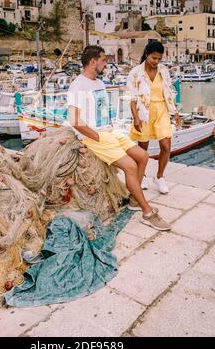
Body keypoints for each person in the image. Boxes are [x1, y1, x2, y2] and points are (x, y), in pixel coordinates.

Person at [67, 45, 171, 231]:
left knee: (143, 156)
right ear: (93, 62)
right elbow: (74, 119)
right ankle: (147, 212)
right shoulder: (78, 85)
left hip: (109, 131)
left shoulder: (98, 83)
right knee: (130, 165)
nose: (106, 63)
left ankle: (133, 199)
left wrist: (110, 132)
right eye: (103, 60)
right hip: (95, 136)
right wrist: (96, 136)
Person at [128, 40, 181, 195]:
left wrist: (175, 113)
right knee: (143, 149)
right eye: (153, 58)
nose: (156, 62)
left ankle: (159, 177)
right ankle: (142, 175)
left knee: (165, 145)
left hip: (162, 110)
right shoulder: (135, 72)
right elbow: (132, 98)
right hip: (144, 111)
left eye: (159, 59)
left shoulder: (163, 70)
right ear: (146, 55)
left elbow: (169, 93)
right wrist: (136, 118)